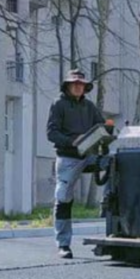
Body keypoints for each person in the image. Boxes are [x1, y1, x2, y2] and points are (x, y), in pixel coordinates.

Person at [46, 70, 105, 259]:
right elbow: (51, 133)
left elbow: (101, 126)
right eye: (75, 84)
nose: (78, 86)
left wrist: (106, 133)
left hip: (89, 155)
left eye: (81, 84)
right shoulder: (59, 104)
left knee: (114, 164)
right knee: (63, 197)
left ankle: (107, 204)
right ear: (68, 86)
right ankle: (63, 244)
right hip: (68, 157)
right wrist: (72, 141)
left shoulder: (89, 106)